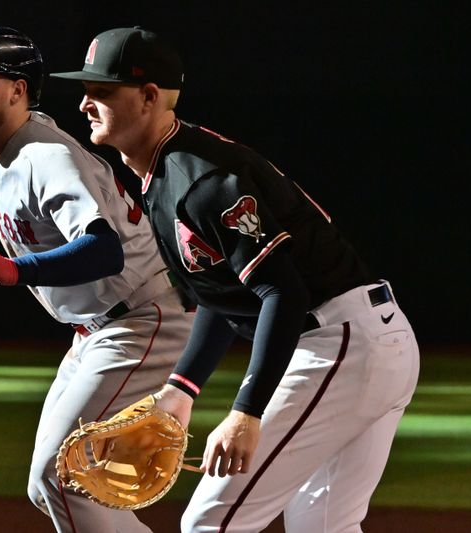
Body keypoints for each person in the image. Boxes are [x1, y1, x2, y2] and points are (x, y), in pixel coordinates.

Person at [51, 27, 420, 532]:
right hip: (371, 338)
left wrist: (247, 411)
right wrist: (180, 390)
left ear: (149, 97)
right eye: (86, 90)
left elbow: (281, 291)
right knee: (323, 526)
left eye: (103, 91)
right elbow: (223, 297)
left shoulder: (197, 180)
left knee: (209, 523)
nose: (86, 103)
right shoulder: (164, 176)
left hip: (339, 342)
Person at [0, 25, 193, 532]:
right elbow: (1, 207)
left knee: (58, 477)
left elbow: (103, 251)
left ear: (18, 90)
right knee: (48, 485)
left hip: (142, 319)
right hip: (98, 329)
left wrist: (13, 269)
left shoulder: (48, 156)